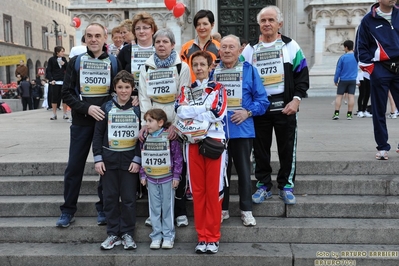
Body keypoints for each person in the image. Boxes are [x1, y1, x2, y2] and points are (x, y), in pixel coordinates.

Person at [241, 5, 309, 205]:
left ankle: (286, 186)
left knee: (287, 148)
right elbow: (242, 77)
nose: (267, 24)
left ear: (280, 23)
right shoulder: (250, 49)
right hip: (259, 108)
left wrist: (296, 100)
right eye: (263, 20)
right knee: (259, 149)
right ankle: (263, 185)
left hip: (285, 106)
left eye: (271, 20)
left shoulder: (291, 46)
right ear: (259, 24)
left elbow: (302, 75)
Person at [57, 22, 122, 228]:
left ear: (105, 39)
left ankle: (103, 208)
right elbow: (66, 93)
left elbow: (118, 90)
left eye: (98, 36)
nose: (93, 39)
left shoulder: (114, 61)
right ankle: (68, 210)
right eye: (89, 36)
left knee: (105, 168)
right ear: (84, 39)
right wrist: (86, 108)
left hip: (105, 124)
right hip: (81, 123)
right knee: (74, 167)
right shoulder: (75, 62)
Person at [175, 50, 227, 254]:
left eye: (202, 65)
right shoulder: (186, 89)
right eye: (195, 65)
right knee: (197, 192)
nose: (198, 68)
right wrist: (203, 110)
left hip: (213, 142)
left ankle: (213, 237)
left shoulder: (218, 88)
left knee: (213, 190)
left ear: (209, 66)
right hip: (192, 142)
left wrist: (195, 111)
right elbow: (179, 110)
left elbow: (218, 112)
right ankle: (202, 237)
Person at [138, 28, 191, 227]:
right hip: (154, 126)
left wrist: (176, 126)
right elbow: (144, 96)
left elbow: (182, 97)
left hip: (174, 126)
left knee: (177, 168)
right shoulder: (146, 67)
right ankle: (155, 213)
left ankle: (180, 211)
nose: (161, 45)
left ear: (172, 45)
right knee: (155, 167)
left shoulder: (181, 67)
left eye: (165, 42)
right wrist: (147, 123)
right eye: (158, 42)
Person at [215, 35, 268, 226]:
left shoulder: (250, 71)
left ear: (239, 51)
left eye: (232, 47)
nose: (227, 51)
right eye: (224, 47)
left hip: (242, 131)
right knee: (221, 174)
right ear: (219, 51)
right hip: (218, 132)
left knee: (245, 173)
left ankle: (246, 210)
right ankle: (223, 209)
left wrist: (247, 112)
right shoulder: (212, 73)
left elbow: (263, 101)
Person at [92, 70, 140, 250]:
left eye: (127, 87)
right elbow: (97, 135)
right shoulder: (106, 107)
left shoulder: (137, 108)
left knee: (128, 199)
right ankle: (113, 233)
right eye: (120, 87)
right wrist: (98, 159)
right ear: (114, 88)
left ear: (133, 88)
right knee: (110, 198)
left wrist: (137, 159)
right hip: (109, 161)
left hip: (129, 162)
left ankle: (127, 233)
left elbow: (142, 137)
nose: (123, 91)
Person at [355, 0, 399, 160]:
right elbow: (361, 47)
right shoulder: (368, 20)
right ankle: (382, 147)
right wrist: (371, 69)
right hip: (380, 69)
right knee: (379, 110)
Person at [140, 109, 183, 250]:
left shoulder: (169, 137)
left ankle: (168, 235)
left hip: (167, 180)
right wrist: (143, 174)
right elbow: (143, 157)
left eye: (150, 121)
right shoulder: (145, 137)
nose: (147, 124)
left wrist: (176, 176)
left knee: (167, 208)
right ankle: (156, 235)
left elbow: (178, 158)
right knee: (154, 208)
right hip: (152, 180)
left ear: (160, 122)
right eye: (146, 121)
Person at [118, 11, 158, 91]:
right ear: (134, 31)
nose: (141, 31)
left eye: (145, 28)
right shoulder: (126, 51)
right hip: (132, 98)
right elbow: (118, 77)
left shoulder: (160, 49)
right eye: (138, 28)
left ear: (152, 30)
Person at [180, 10, 220, 82]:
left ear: (212, 25)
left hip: (213, 90)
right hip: (192, 90)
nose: (201, 27)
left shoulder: (219, 48)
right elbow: (182, 72)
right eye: (198, 24)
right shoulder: (186, 48)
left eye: (205, 24)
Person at [332, 40, 358, 120]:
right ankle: (349, 114)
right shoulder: (356, 57)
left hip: (343, 79)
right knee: (351, 96)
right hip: (353, 79)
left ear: (346, 47)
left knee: (339, 96)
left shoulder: (343, 57)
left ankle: (336, 113)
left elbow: (338, 70)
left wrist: (336, 80)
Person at [45, 46, 68, 120]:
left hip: (63, 81)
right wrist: (51, 79)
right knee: (54, 98)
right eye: (62, 51)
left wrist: (64, 64)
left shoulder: (64, 59)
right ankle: (54, 114)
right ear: (57, 52)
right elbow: (49, 70)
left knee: (65, 98)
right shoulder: (51, 60)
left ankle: (65, 113)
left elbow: (68, 69)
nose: (63, 53)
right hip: (55, 81)